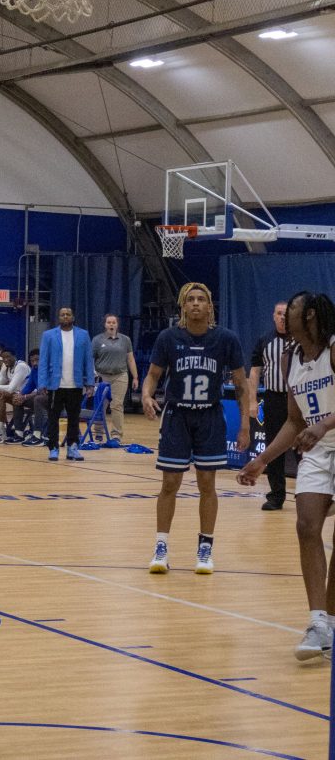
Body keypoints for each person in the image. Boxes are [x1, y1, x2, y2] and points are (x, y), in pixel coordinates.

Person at [238, 292, 335, 659]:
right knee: (307, 526)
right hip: (318, 447)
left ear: (308, 315)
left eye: (290, 311)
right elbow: (295, 421)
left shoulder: (333, 349)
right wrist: (261, 460)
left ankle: (331, 621)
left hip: (327, 434)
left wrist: (325, 424)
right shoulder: (290, 356)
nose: (283, 318)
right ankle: (317, 623)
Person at [142, 282, 249, 576]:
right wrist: (146, 394)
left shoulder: (226, 339)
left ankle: (205, 548)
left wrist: (245, 426)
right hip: (177, 416)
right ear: (183, 307)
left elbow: (241, 384)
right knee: (169, 484)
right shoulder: (169, 337)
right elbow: (152, 375)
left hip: (210, 417)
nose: (197, 303)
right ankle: (161, 547)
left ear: (210, 306)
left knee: (207, 485)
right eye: (191, 299)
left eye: (202, 299)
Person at [248, 301, 293, 510]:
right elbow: (255, 372)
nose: (282, 317)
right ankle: (276, 496)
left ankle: (308, 496)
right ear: (273, 316)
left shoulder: (300, 340)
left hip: (297, 400)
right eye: (279, 313)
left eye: (286, 314)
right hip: (274, 398)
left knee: (304, 448)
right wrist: (252, 400)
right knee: (273, 448)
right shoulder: (265, 341)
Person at [39, 307, 95, 462]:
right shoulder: (49, 335)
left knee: (74, 418)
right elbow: (43, 361)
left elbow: (88, 361)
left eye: (68, 314)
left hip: (75, 385)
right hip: (55, 385)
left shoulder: (83, 335)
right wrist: (42, 383)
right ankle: (54, 448)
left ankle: (73, 447)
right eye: (62, 314)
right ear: (58, 317)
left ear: (73, 317)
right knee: (53, 418)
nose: (65, 317)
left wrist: (90, 383)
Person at [92, 314, 139, 448]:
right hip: (102, 376)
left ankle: (116, 435)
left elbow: (130, 359)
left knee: (117, 405)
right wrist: (91, 376)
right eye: (109, 322)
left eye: (114, 322)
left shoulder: (125, 340)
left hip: (120, 376)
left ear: (117, 325)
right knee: (101, 405)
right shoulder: (97, 340)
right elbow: (90, 359)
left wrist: (135, 377)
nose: (111, 325)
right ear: (105, 325)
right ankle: (99, 433)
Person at [0, 347, 30, 444]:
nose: (6, 359)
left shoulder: (21, 366)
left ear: (14, 357)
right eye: (4, 358)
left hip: (28, 396)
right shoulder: (6, 366)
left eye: (8, 357)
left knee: (2, 395)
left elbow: (10, 388)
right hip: (16, 395)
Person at [6, 349, 48, 446]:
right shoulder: (34, 370)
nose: (34, 363)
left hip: (52, 400)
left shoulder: (49, 370)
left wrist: (25, 396)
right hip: (39, 400)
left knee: (38, 399)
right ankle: (19, 434)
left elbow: (43, 391)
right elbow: (29, 386)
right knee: (17, 400)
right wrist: (20, 395)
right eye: (32, 361)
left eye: (37, 360)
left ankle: (38, 436)